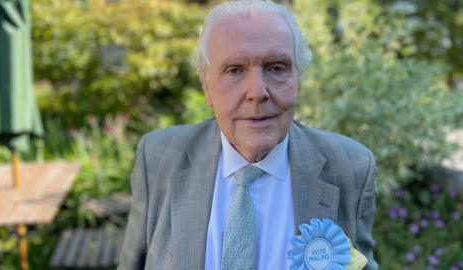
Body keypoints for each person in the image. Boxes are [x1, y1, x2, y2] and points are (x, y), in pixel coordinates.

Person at [118, 1, 378, 269]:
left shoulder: (350, 168)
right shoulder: (159, 157)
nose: (257, 92)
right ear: (207, 86)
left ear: (298, 78)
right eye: (235, 70)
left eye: (276, 67)